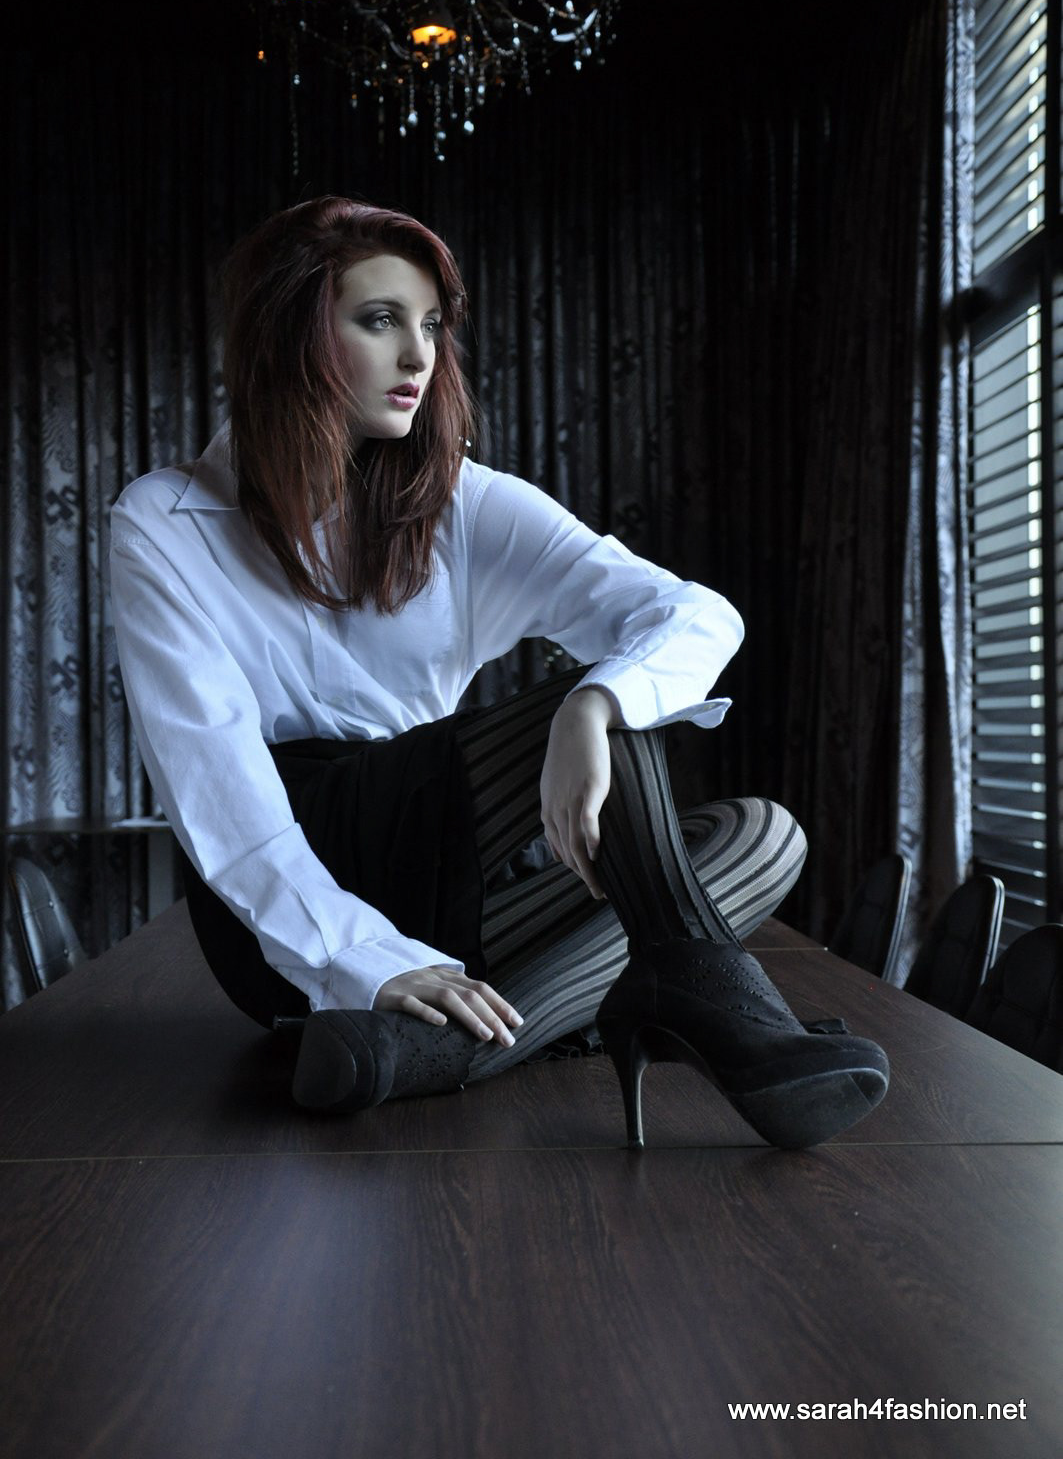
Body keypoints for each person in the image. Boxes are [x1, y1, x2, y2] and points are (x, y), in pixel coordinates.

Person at [109, 195, 889, 1147]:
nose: (419, 356)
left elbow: (693, 614)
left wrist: (594, 703)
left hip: (447, 870)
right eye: (380, 320)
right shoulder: (165, 521)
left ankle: (430, 1052)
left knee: (758, 836)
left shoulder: (460, 503)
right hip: (284, 904)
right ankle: (719, 1022)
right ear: (288, 335)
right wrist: (354, 954)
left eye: (431, 325)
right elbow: (215, 787)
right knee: (624, 754)